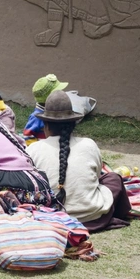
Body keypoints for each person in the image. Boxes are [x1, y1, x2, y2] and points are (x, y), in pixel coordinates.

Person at [27, 90, 131, 232]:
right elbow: (97, 176)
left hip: (52, 217)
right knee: (113, 178)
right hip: (93, 217)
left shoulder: (33, 149)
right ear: (73, 124)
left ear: (46, 125)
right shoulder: (89, 144)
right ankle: (120, 213)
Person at [23, 74, 68, 144]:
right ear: (49, 97)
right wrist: (35, 149)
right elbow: (28, 135)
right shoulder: (36, 117)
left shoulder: (54, 111)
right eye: (57, 92)